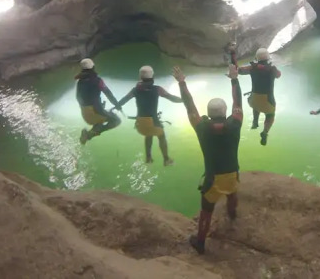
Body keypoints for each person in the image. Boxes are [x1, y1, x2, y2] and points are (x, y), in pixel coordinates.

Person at [172, 63, 243, 255]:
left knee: (206, 212)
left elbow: (189, 105)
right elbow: (238, 103)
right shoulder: (235, 124)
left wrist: (182, 83)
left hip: (213, 178)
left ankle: (200, 242)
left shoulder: (201, 128)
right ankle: (232, 214)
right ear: (226, 112)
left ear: (209, 113)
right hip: (232, 172)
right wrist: (234, 79)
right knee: (232, 194)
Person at [117, 65, 182, 166]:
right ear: (153, 77)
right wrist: (184, 99)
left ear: (140, 77)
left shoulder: (135, 90)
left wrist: (116, 106)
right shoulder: (157, 89)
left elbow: (124, 100)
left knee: (149, 133)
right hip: (152, 122)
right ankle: (166, 159)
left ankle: (148, 157)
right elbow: (171, 98)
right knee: (161, 136)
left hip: (140, 125)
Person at [236, 47, 281, 146]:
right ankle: (265, 132)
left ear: (257, 58)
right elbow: (278, 75)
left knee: (256, 104)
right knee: (270, 115)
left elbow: (239, 71)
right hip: (268, 102)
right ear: (268, 58)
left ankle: (255, 121)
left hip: (253, 101)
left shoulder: (252, 68)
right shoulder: (272, 69)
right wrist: (270, 68)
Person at [75, 58, 122, 145]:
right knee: (116, 120)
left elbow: (79, 98)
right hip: (95, 113)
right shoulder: (98, 81)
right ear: (93, 67)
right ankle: (89, 135)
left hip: (85, 115)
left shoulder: (80, 82)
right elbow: (108, 93)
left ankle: (91, 131)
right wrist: (117, 105)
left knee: (103, 116)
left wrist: (99, 106)